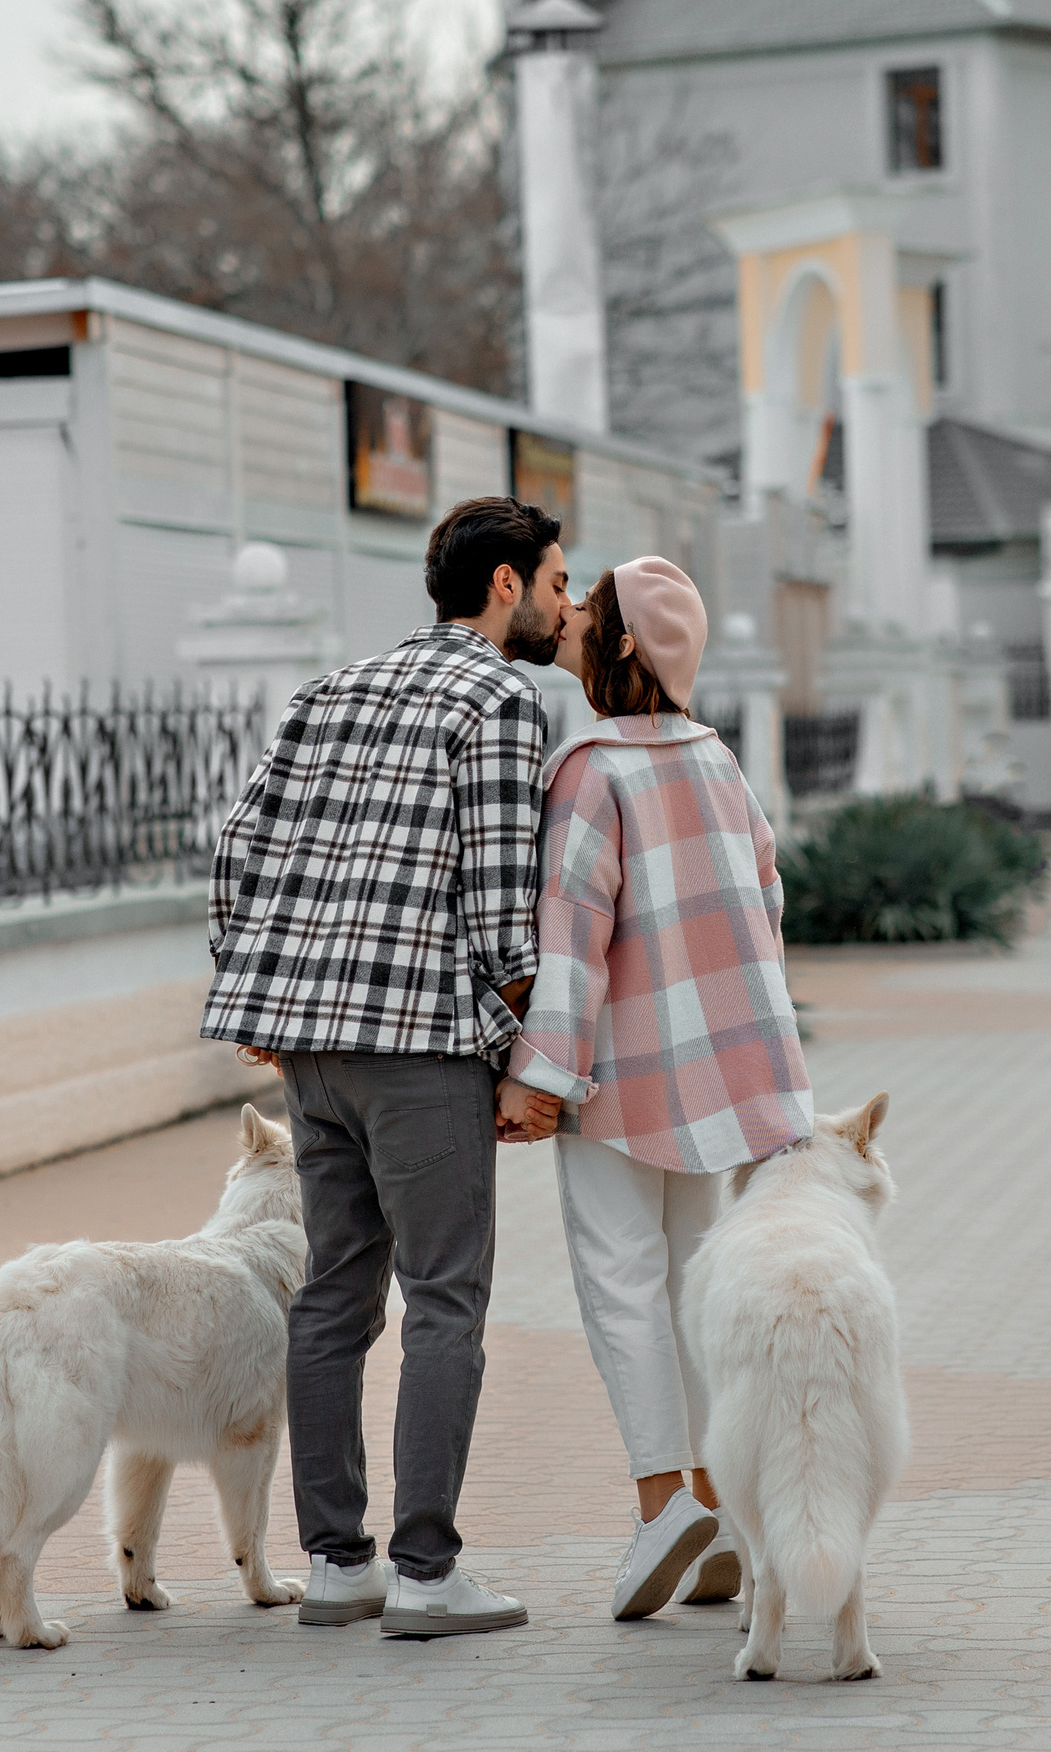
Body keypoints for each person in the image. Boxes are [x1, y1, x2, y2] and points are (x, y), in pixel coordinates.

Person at [202, 496, 570, 1639]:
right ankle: (424, 1574)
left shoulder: (332, 688)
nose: (566, 603)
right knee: (444, 1301)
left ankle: (336, 1564)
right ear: (504, 585)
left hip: (313, 1048)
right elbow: (504, 905)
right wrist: (530, 1057)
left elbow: (237, 846)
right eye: (558, 581)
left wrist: (256, 987)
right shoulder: (505, 699)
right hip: (423, 1052)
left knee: (332, 1299)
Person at [494, 557, 812, 1622]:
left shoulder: (589, 769)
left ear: (622, 642)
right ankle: (719, 1503)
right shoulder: (716, 758)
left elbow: (571, 944)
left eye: (585, 609)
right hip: (718, 1072)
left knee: (618, 1282)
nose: (568, 615)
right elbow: (765, 899)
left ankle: (660, 1505)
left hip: (620, 1073)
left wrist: (538, 1079)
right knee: (687, 1286)